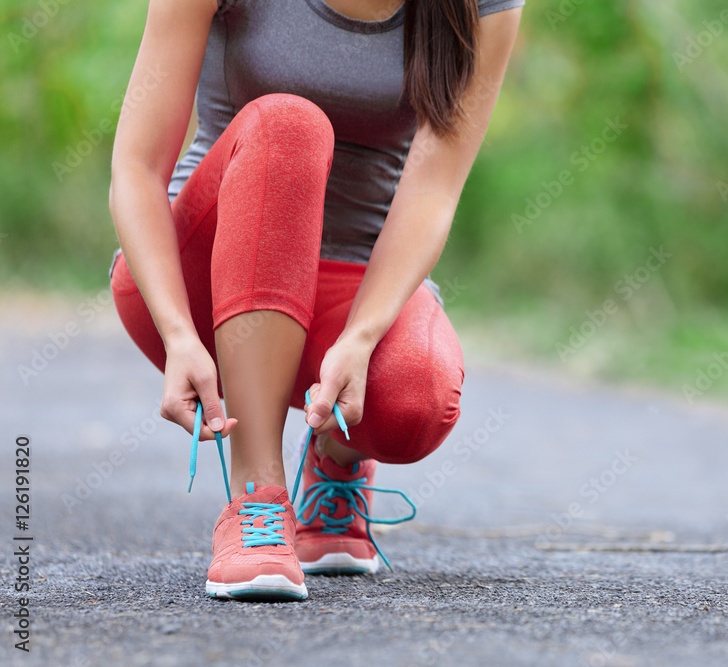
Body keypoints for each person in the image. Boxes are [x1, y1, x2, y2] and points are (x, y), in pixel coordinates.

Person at [108, 0, 524, 602]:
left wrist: (360, 338)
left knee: (415, 399)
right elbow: (137, 167)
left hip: (353, 272)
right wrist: (176, 331)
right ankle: (258, 504)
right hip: (201, 273)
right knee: (289, 124)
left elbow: (434, 188)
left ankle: (334, 450)